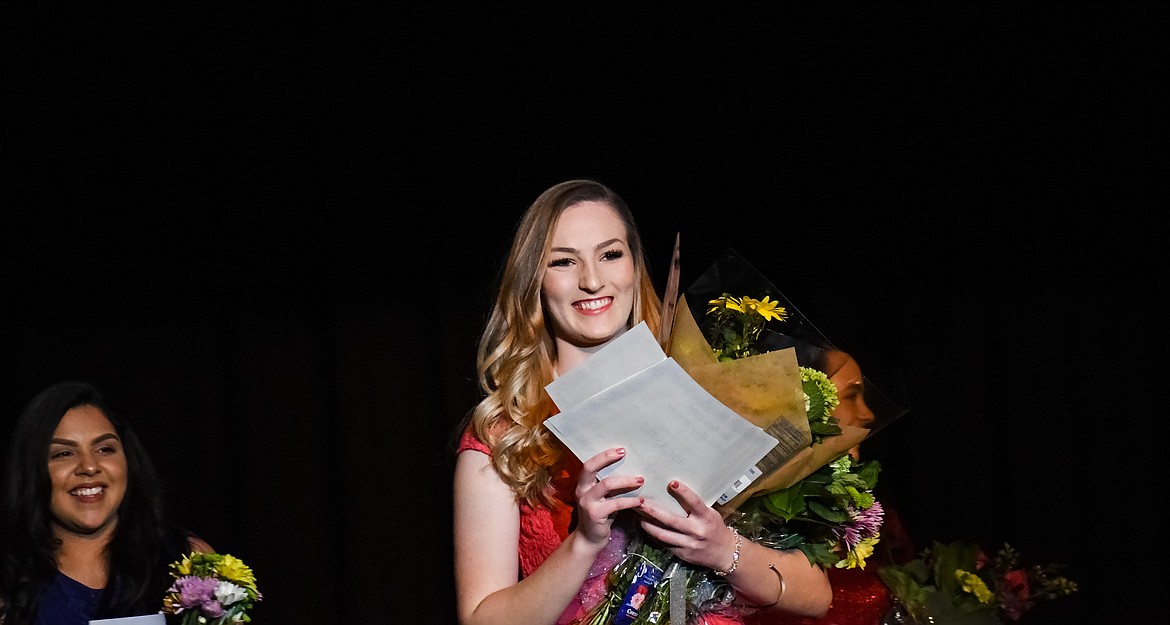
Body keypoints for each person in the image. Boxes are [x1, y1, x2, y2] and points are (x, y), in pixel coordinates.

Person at [452, 179, 833, 625]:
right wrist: (584, 542)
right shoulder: (506, 434)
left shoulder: (712, 393)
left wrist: (722, 548)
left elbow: (817, 596)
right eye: (562, 262)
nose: (592, 280)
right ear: (534, 280)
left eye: (610, 254)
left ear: (635, 264)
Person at [0, 381, 212, 625]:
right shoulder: (8, 578)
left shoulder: (189, 560)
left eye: (104, 449)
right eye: (64, 453)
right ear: (33, 471)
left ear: (128, 461)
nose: (89, 467)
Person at [746, 349, 914, 625]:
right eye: (851, 396)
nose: (869, 414)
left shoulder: (874, 516)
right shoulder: (752, 512)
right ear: (808, 400)